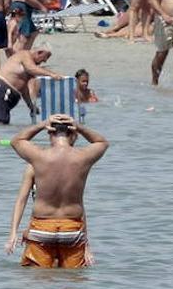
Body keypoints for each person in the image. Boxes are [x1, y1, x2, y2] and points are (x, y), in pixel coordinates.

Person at [10, 114, 108, 268]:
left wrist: (42, 124)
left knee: (38, 280)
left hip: (42, 226)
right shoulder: (83, 157)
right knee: (72, 280)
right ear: (73, 133)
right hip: (72, 227)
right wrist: (79, 126)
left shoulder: (39, 156)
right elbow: (102, 142)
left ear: (50, 133)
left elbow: (16, 141)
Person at [0, 47, 62, 125]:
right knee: (0, 122)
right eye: (46, 57)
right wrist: (51, 74)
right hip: (0, 90)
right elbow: (31, 69)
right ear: (39, 52)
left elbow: (24, 90)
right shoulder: (25, 55)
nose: (45, 61)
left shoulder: (27, 68)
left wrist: (31, 106)